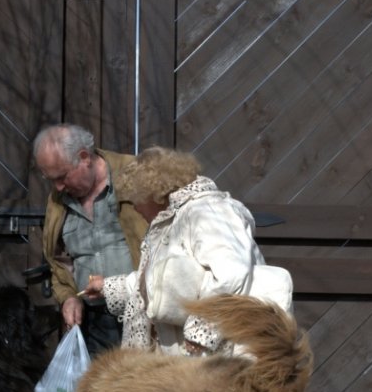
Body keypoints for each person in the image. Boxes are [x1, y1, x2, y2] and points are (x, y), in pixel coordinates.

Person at [81, 146, 293, 356]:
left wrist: (202, 332)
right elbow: (166, 282)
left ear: (153, 193)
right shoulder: (173, 219)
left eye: (135, 199)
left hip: (225, 354)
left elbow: (231, 274)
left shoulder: (207, 212)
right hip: (189, 360)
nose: (135, 208)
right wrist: (107, 287)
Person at [34, 124, 148, 356]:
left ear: (84, 157)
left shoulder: (136, 176)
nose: (57, 187)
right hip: (95, 322)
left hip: (144, 315)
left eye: (62, 176)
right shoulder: (58, 200)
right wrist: (67, 298)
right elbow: (58, 260)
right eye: (51, 180)